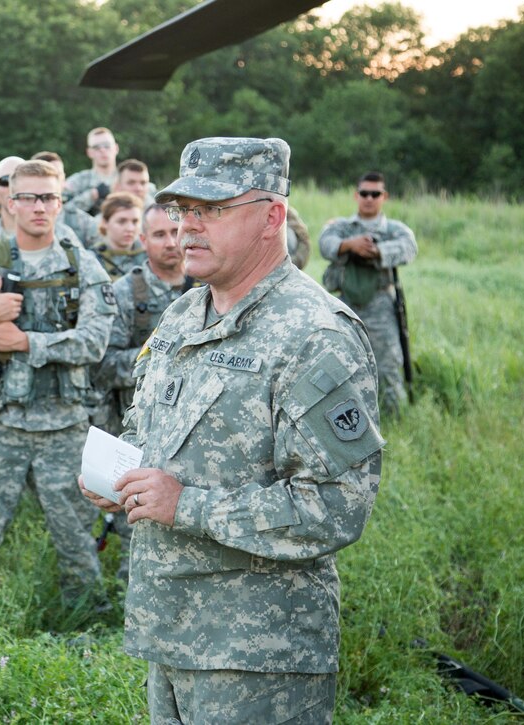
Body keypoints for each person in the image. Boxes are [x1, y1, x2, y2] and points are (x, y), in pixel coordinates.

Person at [81, 137, 384, 724]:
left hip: (258, 658)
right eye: (182, 209)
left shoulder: (314, 335)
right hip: (170, 631)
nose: (189, 227)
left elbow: (338, 507)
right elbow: (155, 432)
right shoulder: (184, 313)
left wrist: (185, 505)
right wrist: (122, 479)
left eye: (213, 210)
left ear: (272, 217)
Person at [0, 160, 115, 608]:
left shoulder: (82, 266)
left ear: (61, 203)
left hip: (64, 426)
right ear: (10, 203)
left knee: (75, 532)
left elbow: (95, 343)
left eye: (49, 197)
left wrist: (24, 342)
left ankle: (87, 616)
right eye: (29, 197)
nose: (40, 207)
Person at [89, 203, 198, 582]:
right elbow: (101, 365)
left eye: (175, 232)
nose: (171, 243)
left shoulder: (209, 286)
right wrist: (157, 365)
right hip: (138, 429)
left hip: (197, 434)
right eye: (159, 235)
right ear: (142, 241)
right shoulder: (124, 293)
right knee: (137, 527)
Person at [319, 171, 417, 416]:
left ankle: (396, 417)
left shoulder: (394, 229)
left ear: (384, 196)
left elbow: (409, 248)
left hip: (380, 304)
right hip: (344, 304)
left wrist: (376, 250)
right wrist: (349, 245)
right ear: (356, 195)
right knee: (338, 362)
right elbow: (325, 243)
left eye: (375, 194)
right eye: (364, 193)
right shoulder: (342, 227)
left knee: (388, 365)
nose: (369, 199)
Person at [32, 150, 101, 249]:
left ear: (64, 178)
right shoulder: (21, 219)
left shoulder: (82, 222)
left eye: (57, 175)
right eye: (47, 175)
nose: (53, 180)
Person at [91, 192, 147, 281]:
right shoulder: (91, 260)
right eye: (122, 221)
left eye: (135, 222)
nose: (130, 228)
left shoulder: (150, 256)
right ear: (105, 222)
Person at [64, 127, 119, 215]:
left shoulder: (130, 180)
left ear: (116, 148)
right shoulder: (78, 181)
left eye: (107, 145)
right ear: (89, 152)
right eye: (96, 147)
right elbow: (61, 210)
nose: (102, 150)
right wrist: (91, 196)